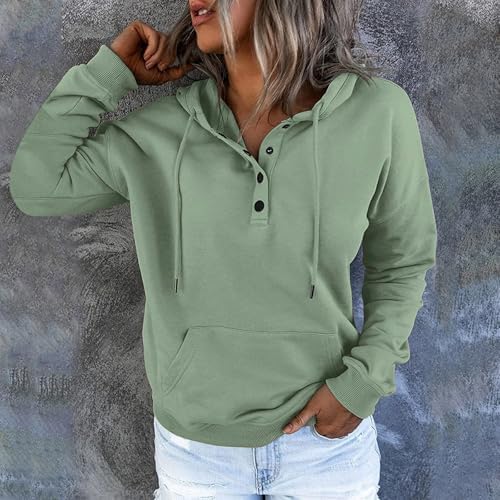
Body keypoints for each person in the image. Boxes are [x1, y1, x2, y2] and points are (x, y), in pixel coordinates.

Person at [9, 0, 437, 498]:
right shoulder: (162, 131)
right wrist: (109, 76)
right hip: (197, 452)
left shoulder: (377, 111)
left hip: (325, 446)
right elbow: (37, 186)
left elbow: (403, 260)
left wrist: (365, 381)